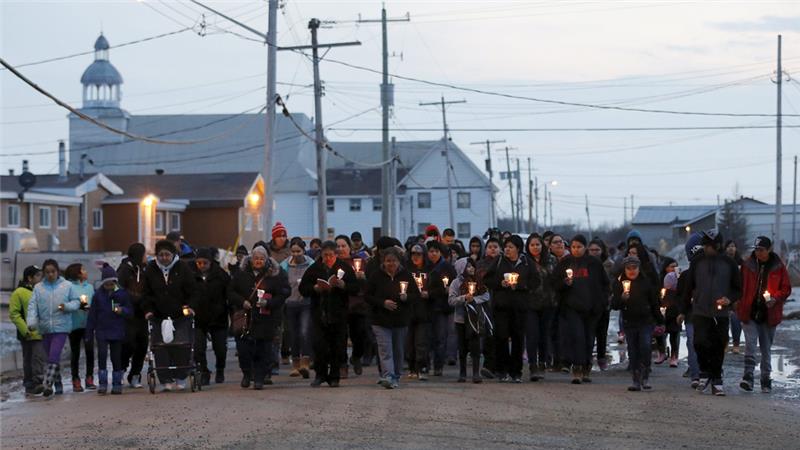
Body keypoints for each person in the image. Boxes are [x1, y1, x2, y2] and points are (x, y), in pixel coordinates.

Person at [678, 229, 741, 396]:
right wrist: (683, 311)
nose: (705, 248)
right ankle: (705, 372)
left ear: (717, 246)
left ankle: (717, 379)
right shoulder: (697, 263)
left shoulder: (729, 263)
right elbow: (688, 288)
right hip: (700, 310)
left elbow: (738, 289)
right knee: (699, 343)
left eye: (708, 245)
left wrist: (729, 299)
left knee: (719, 344)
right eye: (704, 245)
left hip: (720, 313)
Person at [228, 246, 290, 390]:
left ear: (266, 260)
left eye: (262, 259)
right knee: (243, 349)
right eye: (256, 258)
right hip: (245, 317)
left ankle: (259, 378)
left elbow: (283, 293)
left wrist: (269, 302)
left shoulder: (274, 274)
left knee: (263, 349)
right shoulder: (241, 273)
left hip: (265, 317)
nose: (258, 261)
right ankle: (247, 374)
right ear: (251, 259)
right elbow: (230, 291)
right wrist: (241, 301)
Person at [142, 240, 199, 392]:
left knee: (181, 345)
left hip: (180, 314)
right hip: (158, 315)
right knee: (160, 347)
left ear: (173, 255)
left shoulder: (183, 268)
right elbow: (146, 293)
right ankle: (165, 378)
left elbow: (192, 290)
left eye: (167, 254)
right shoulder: (150, 269)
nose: (164, 258)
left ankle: (181, 376)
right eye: (161, 255)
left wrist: (190, 307)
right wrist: (147, 310)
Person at [299, 241, 358, 387]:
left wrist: (343, 286)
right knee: (319, 345)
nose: (328, 258)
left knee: (337, 345)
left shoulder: (344, 268)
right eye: (325, 255)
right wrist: (315, 288)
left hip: (338, 313)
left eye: (331, 255)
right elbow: (303, 288)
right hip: (319, 312)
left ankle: (334, 376)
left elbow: (355, 287)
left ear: (336, 254)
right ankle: (320, 374)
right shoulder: (314, 269)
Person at [737, 236, 792, 393]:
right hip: (749, 312)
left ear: (769, 250)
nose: (758, 253)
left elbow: (786, 288)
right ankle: (748, 377)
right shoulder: (747, 265)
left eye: (761, 250)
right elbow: (740, 285)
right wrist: (738, 304)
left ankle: (765, 379)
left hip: (769, 315)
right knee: (750, 345)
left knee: (766, 348)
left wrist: (775, 298)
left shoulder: (778, 267)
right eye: (756, 249)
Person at [553, 235, 610, 384]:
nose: (576, 250)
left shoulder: (594, 263)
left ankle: (586, 367)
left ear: (585, 247)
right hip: (572, 307)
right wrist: (565, 284)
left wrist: (602, 302)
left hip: (592, 308)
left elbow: (605, 284)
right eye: (573, 247)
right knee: (577, 337)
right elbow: (554, 284)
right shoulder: (565, 263)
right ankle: (577, 368)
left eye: (579, 247)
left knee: (589, 338)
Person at [485, 235, 541, 383]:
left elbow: (536, 281)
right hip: (501, 306)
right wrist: (500, 283)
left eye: (511, 247)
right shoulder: (499, 261)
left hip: (520, 306)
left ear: (518, 248)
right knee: (501, 337)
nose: (507, 249)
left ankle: (516, 371)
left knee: (518, 338)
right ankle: (502, 370)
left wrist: (521, 285)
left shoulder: (526, 262)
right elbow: (487, 279)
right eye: (506, 247)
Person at [366, 247, 419, 389]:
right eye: (388, 261)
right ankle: (388, 375)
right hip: (380, 319)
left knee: (398, 349)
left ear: (399, 261)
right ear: (383, 261)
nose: (391, 264)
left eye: (394, 261)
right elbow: (367, 295)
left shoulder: (406, 275)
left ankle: (396, 374)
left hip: (400, 319)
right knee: (385, 348)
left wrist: (406, 297)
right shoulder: (376, 275)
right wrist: (383, 303)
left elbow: (416, 295)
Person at [611, 256, 663, 391]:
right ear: (624, 269)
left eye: (634, 268)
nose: (632, 271)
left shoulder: (646, 283)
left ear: (639, 269)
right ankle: (635, 379)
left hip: (646, 321)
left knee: (645, 346)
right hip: (629, 322)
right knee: (633, 350)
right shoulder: (619, 284)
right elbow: (614, 305)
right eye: (629, 268)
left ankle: (645, 376)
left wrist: (660, 321)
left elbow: (654, 303)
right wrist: (622, 299)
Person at [26, 259, 75, 397]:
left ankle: (47, 384)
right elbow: (32, 307)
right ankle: (58, 386)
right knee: (52, 357)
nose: (50, 274)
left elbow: (78, 302)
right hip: (45, 327)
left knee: (53, 355)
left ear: (57, 271)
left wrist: (67, 306)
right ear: (44, 273)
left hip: (62, 326)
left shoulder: (67, 286)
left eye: (53, 271)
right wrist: (31, 322)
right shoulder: (38, 288)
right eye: (47, 272)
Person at [85, 265, 132, 395]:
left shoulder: (122, 294)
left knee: (116, 357)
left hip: (117, 331)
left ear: (115, 282)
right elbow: (92, 315)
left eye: (112, 284)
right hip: (102, 331)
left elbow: (130, 311)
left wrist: (122, 310)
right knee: (101, 355)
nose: (109, 287)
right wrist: (89, 332)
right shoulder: (98, 296)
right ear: (103, 283)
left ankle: (117, 383)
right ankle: (103, 383)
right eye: (107, 284)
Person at [192, 248, 231, 385]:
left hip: (218, 317)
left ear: (210, 262)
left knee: (220, 349)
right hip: (198, 318)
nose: (202, 266)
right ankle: (203, 371)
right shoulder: (192, 275)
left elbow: (229, 295)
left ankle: (220, 369)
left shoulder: (221, 275)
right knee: (198, 349)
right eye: (199, 263)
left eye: (205, 263)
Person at [449, 257, 490, 383]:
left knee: (475, 346)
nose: (471, 268)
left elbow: (486, 295)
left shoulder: (478, 281)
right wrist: (464, 298)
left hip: (475, 319)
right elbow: (451, 300)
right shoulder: (456, 283)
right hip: (461, 319)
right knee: (462, 346)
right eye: (468, 266)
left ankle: (476, 373)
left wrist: (475, 300)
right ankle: (462, 373)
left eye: (472, 266)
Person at [334, 235, 370, 378]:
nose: (341, 249)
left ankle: (356, 356)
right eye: (338, 246)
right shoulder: (333, 262)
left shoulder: (358, 261)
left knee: (360, 335)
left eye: (343, 246)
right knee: (340, 337)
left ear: (349, 247)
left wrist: (363, 277)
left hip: (357, 304)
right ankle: (342, 365)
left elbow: (369, 282)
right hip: (339, 304)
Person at [280, 239, 314, 378]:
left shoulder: (311, 264)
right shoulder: (284, 266)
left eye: (298, 251)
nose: (296, 254)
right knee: (293, 334)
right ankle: (295, 364)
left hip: (306, 303)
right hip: (290, 303)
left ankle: (305, 362)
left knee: (304, 331)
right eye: (293, 251)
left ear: (303, 250)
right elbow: (281, 282)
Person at [9, 265, 46, 395]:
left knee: (39, 358)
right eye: (37, 276)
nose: (40, 278)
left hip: (41, 332)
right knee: (30, 359)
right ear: (29, 278)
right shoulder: (19, 292)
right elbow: (14, 314)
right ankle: (31, 384)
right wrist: (25, 330)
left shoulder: (40, 291)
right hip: (28, 334)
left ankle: (38, 382)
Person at [525, 234, 557, 380]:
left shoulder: (551, 259)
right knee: (532, 335)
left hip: (548, 303)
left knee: (544, 335)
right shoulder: (525, 261)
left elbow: (556, 278)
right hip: (530, 303)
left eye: (537, 244)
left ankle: (543, 362)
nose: (535, 247)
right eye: (532, 245)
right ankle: (533, 365)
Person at [117, 243, 148, 389]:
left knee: (142, 344)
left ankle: (135, 374)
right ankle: (122, 370)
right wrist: (133, 298)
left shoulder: (144, 270)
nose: (145, 257)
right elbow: (120, 290)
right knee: (128, 344)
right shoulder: (124, 270)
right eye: (144, 254)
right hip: (128, 314)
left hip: (142, 313)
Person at [426, 241, 458, 377]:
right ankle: (426, 364)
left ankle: (438, 365)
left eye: (436, 251)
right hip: (427, 306)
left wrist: (448, 290)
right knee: (428, 338)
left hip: (441, 307)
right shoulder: (425, 266)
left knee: (440, 337)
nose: (433, 254)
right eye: (431, 251)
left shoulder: (446, 267)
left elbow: (455, 283)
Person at [64, 263, 96, 393]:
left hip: (88, 324)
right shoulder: (69, 287)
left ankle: (89, 378)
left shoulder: (90, 287)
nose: (85, 271)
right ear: (77, 273)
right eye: (83, 269)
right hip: (74, 325)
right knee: (75, 353)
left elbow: (93, 303)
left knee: (90, 351)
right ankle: (75, 379)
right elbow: (68, 303)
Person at [476, 237, 501, 379]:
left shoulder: (503, 263)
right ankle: (488, 364)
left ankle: (499, 365)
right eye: (490, 246)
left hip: (500, 302)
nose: (493, 249)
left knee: (500, 334)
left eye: (495, 246)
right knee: (488, 335)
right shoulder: (481, 264)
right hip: (485, 304)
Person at [405, 243, 432, 380]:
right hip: (409, 311)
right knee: (409, 342)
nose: (415, 257)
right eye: (413, 254)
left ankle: (422, 366)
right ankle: (411, 366)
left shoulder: (429, 270)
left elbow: (437, 288)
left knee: (421, 341)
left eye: (418, 254)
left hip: (424, 311)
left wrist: (429, 293)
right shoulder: (405, 270)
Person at [587, 238, 613, 371]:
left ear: (602, 250)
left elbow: (612, 283)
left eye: (597, 250)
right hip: (588, 302)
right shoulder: (585, 263)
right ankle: (588, 358)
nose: (594, 252)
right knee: (589, 331)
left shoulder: (609, 265)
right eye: (591, 250)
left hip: (603, 303)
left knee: (602, 332)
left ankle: (601, 357)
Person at [724, 240, 744, 354]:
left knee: (736, 320)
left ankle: (736, 344)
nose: (731, 248)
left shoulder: (741, 262)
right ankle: (725, 343)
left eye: (733, 246)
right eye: (729, 246)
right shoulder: (722, 261)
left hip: (736, 294)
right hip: (724, 293)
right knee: (724, 321)